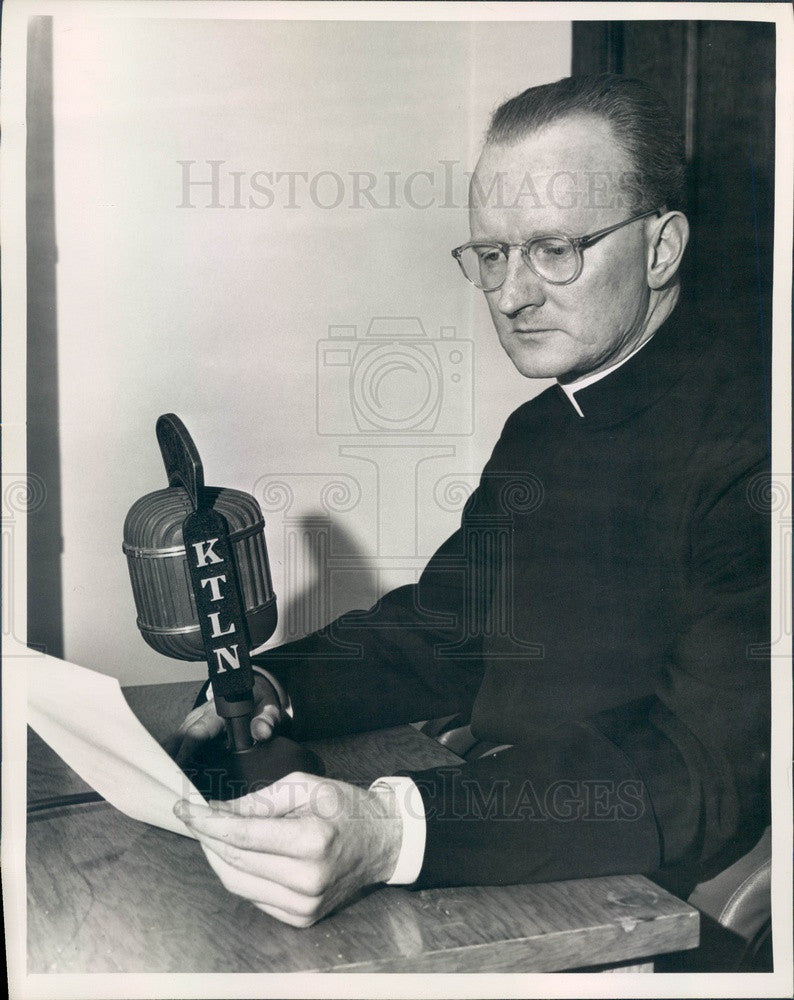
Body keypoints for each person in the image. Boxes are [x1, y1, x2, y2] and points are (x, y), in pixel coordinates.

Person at [171, 74, 770, 928]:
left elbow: (695, 768)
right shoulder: (542, 426)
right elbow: (449, 628)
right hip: (496, 829)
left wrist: (392, 828)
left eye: (554, 249)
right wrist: (275, 683)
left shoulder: (757, 444)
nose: (512, 294)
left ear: (662, 248)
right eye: (493, 255)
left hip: (643, 892)